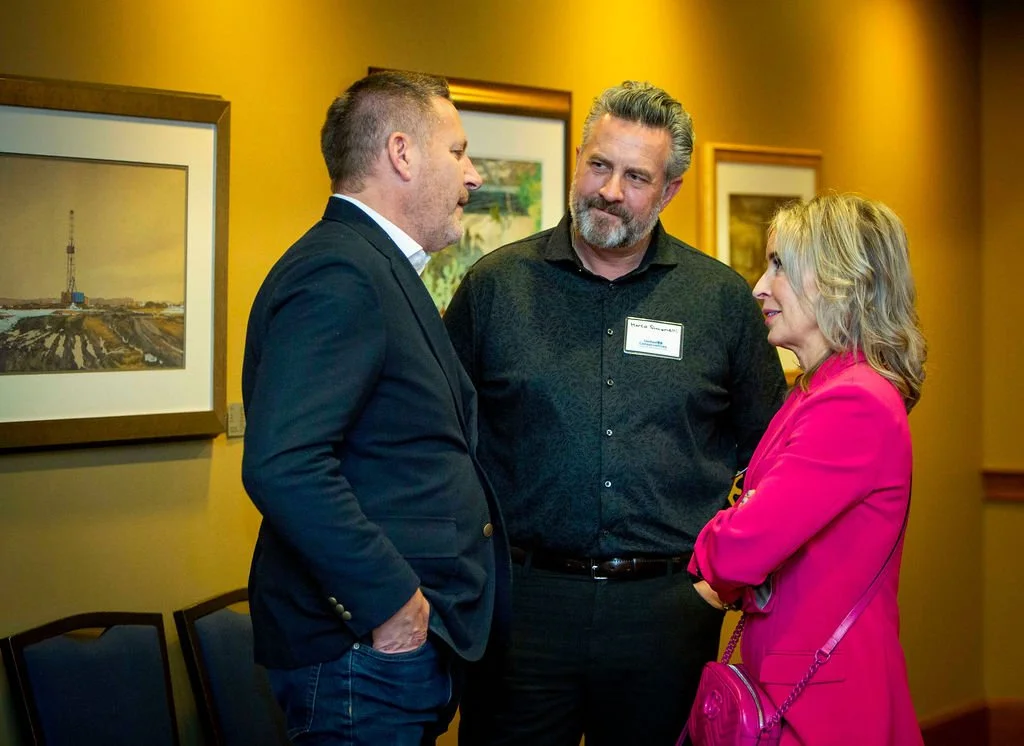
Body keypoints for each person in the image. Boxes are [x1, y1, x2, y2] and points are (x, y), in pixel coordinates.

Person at [443, 81, 788, 746]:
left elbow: (772, 455)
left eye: (636, 177)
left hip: (667, 612)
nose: (609, 190)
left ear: (669, 190)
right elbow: (442, 442)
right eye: (599, 165)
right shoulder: (495, 287)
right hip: (523, 607)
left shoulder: (718, 300)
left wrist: (722, 580)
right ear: (578, 159)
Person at [241, 70, 510, 746]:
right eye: (458, 152)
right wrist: (391, 602)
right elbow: (284, 464)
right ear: (401, 153)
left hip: (390, 652)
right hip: (361, 652)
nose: (473, 175)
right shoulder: (340, 272)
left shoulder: (374, 267)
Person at [688, 193, 926, 745]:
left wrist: (715, 547)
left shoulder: (854, 399)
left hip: (824, 701)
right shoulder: (815, 389)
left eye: (780, 265)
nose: (759, 287)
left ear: (841, 283)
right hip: (790, 681)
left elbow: (742, 546)